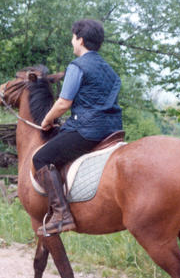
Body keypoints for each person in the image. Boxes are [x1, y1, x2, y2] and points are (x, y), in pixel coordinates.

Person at [33, 19, 123, 236]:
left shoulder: (77, 66)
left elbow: (64, 103)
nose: (72, 42)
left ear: (80, 40)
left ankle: (61, 213)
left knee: (41, 158)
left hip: (88, 131)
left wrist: (46, 120)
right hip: (112, 130)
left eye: (73, 37)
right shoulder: (110, 70)